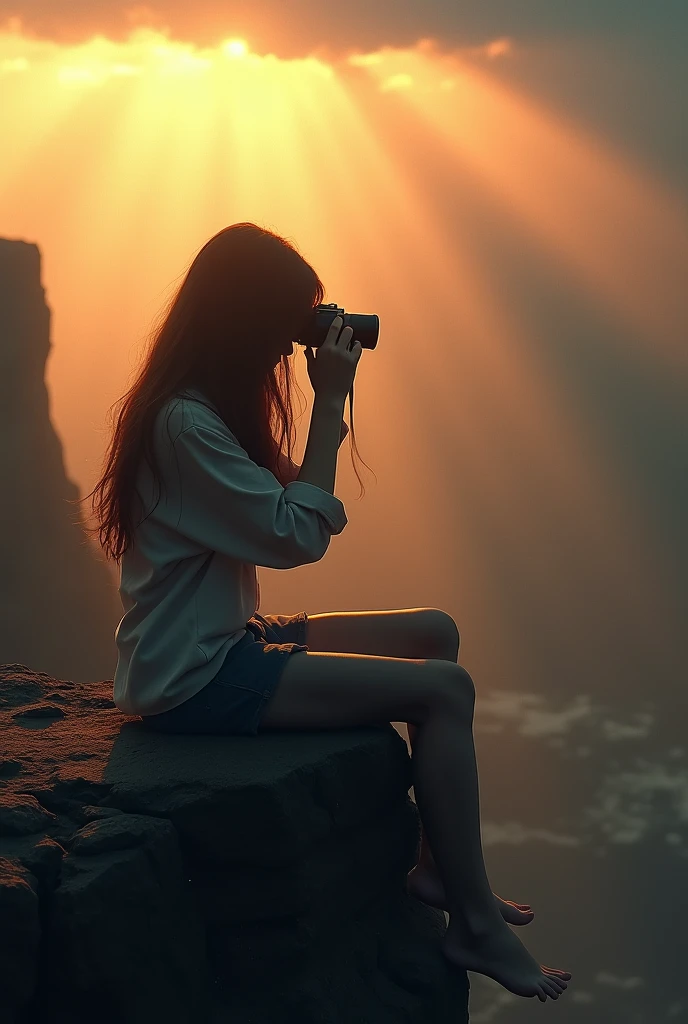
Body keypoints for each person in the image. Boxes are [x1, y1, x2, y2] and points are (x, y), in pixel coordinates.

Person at [82, 222, 571, 1001]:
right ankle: (474, 922)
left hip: (221, 635)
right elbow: (296, 534)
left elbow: (284, 502)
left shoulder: (205, 405)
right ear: (246, 319)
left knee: (433, 633)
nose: (291, 344)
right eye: (287, 322)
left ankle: (438, 871)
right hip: (195, 674)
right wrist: (331, 398)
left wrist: (317, 398)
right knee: (446, 691)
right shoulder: (184, 424)